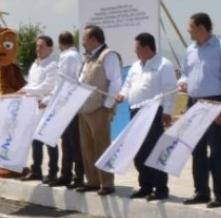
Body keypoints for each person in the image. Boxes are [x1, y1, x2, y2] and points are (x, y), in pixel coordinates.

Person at [178, 12, 221, 208]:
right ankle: (201, 191)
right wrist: (183, 83)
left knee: (216, 150)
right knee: (197, 149)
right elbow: (185, 74)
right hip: (194, 103)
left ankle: (220, 194)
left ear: (201, 27)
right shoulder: (190, 50)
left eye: (191, 27)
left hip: (214, 103)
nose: (188, 30)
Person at [115, 32, 176, 201]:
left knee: (153, 150)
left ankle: (161, 188)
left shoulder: (164, 64)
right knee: (139, 151)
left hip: (153, 112)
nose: (135, 51)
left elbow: (170, 90)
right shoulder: (135, 66)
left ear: (147, 48)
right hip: (136, 112)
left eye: (137, 48)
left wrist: (167, 111)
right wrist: (122, 95)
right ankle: (145, 186)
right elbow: (128, 85)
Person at [76, 25, 123, 195]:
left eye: (84, 38)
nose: (82, 42)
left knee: (102, 147)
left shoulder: (108, 56)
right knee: (87, 148)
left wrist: (107, 106)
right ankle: (93, 181)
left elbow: (115, 82)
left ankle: (107, 183)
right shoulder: (88, 58)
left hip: (99, 109)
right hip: (84, 109)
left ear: (94, 40)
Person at [20, 35, 59, 183]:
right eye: (37, 46)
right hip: (33, 107)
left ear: (50, 48)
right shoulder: (35, 65)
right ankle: (36, 170)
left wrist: (26, 90)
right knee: (35, 140)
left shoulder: (52, 65)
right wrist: (22, 91)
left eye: (41, 46)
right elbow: (31, 83)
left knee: (49, 140)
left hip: (46, 107)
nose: (38, 49)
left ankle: (53, 172)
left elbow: (47, 86)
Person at [51, 30, 84, 188]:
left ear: (60, 43)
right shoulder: (72, 55)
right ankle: (66, 173)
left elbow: (64, 81)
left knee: (73, 142)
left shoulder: (68, 56)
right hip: (67, 101)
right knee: (67, 141)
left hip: (68, 102)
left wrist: (54, 102)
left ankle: (77, 175)